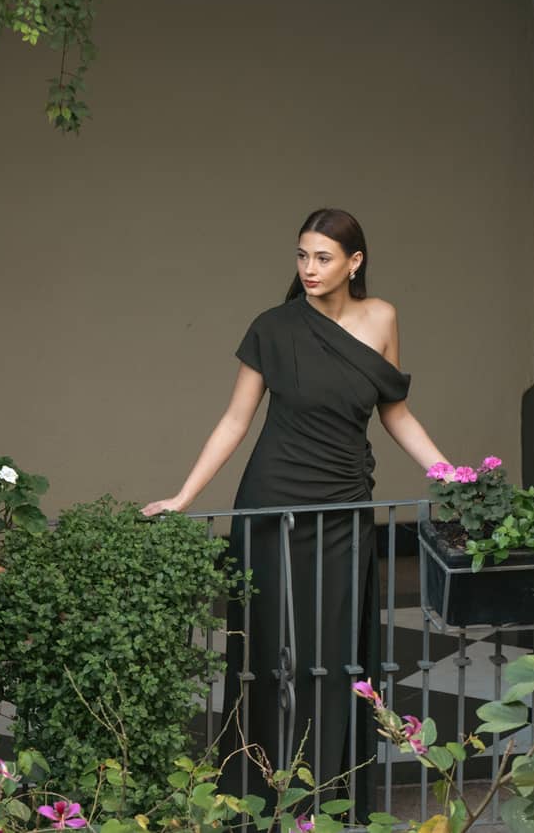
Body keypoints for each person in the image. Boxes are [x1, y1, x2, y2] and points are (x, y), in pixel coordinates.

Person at [142, 208, 448, 813]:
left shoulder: (382, 316)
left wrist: (451, 475)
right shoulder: (272, 328)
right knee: (268, 655)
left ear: (354, 262)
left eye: (323, 257)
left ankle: (329, 799)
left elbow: (396, 412)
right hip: (273, 505)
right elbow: (236, 419)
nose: (309, 268)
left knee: (335, 656)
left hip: (345, 507)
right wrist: (184, 497)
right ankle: (260, 797)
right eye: (302, 256)